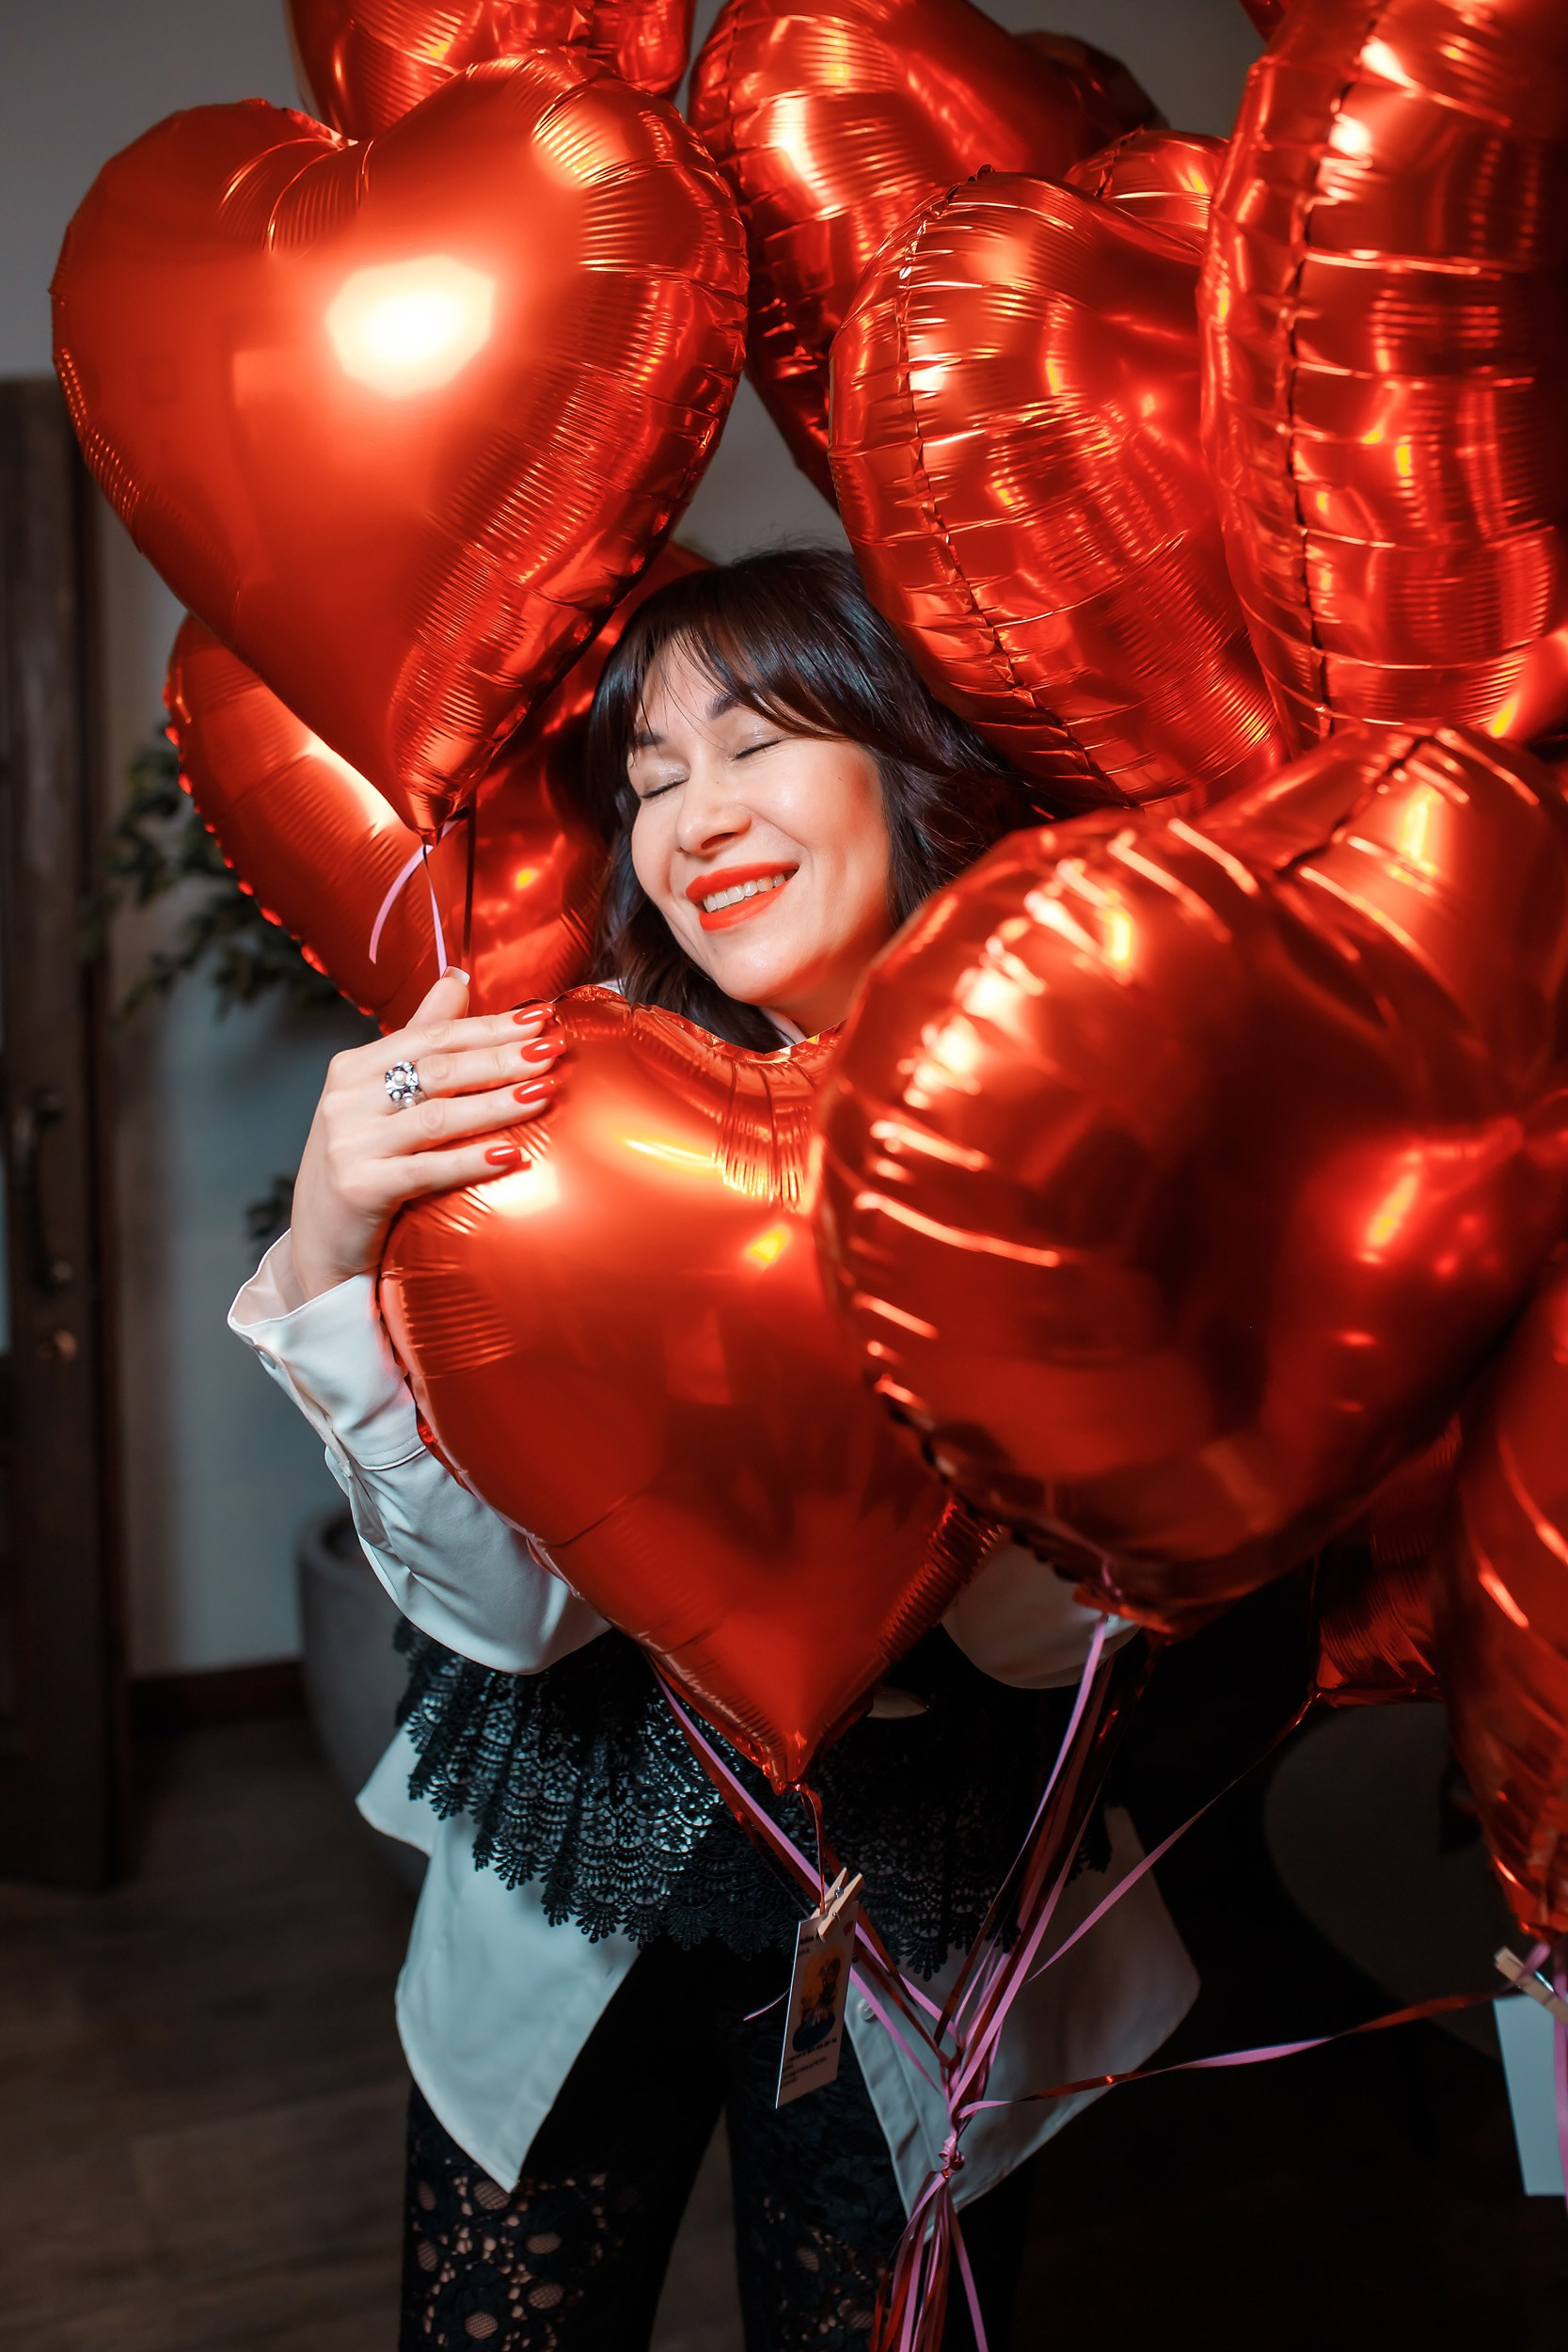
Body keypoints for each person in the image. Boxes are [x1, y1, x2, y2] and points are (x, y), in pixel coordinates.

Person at [230, 548, 1196, 2351]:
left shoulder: (1091, 1127)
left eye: (755, 744)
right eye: (652, 777)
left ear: (911, 760)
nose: (695, 817)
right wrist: (329, 1258)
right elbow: (508, 1619)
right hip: (577, 1862)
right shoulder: (572, 1135)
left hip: (927, 1893)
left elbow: (1050, 1644)